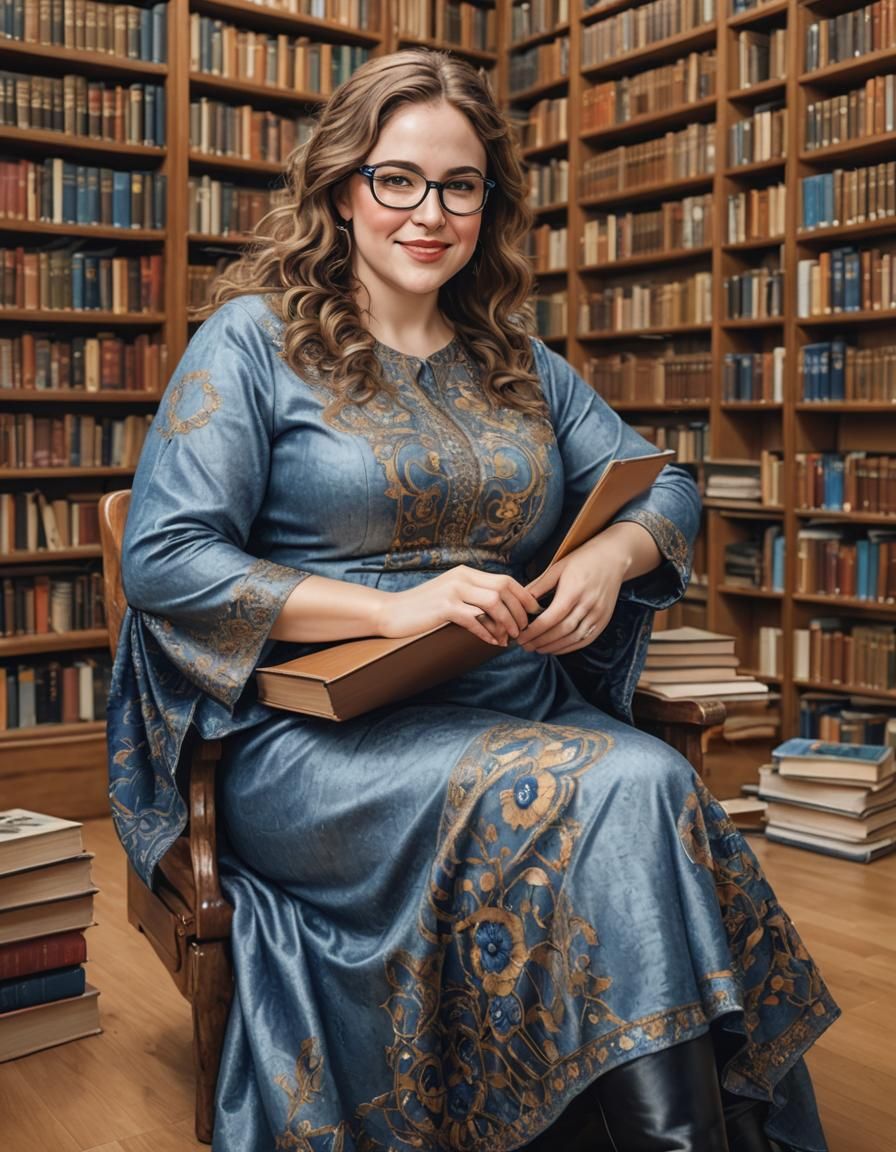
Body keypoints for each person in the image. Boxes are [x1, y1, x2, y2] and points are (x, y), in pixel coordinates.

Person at [108, 50, 838, 1152]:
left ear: (486, 206)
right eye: (396, 179)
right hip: (324, 743)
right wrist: (388, 609)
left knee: (634, 784)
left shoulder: (516, 361)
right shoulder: (254, 343)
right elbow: (164, 559)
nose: (428, 212)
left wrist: (612, 556)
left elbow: (670, 483)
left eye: (459, 185)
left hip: (515, 708)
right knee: (630, 784)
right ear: (342, 188)